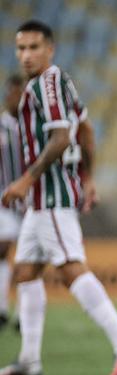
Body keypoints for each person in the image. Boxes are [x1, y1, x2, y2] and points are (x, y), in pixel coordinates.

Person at [0, 20, 117, 375]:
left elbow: (63, 138)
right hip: (42, 200)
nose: (26, 55)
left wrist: (25, 179)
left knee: (69, 268)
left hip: (50, 195)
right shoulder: (60, 82)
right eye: (21, 48)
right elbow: (87, 129)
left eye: (34, 47)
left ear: (50, 49)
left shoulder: (46, 83)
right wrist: (90, 178)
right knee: (25, 272)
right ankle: (30, 359)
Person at [0, 74, 25, 330]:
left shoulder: (33, 126)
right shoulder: (1, 126)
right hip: (5, 200)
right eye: (12, 93)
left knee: (30, 258)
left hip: (30, 201)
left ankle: (21, 313)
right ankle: (2, 308)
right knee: (3, 247)